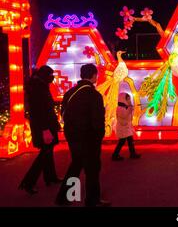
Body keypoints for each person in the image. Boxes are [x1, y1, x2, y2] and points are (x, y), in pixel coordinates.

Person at [55, 64, 110, 207]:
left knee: (76, 164)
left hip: (73, 136)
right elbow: (98, 120)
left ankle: (65, 197)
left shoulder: (70, 92)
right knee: (92, 169)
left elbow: (63, 114)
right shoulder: (94, 95)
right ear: (94, 76)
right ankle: (92, 200)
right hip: (89, 138)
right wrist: (100, 135)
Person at [19, 65, 61, 195]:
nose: (52, 77)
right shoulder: (38, 88)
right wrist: (45, 129)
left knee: (48, 152)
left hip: (45, 125)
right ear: (44, 75)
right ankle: (28, 182)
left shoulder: (39, 86)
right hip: (44, 127)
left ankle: (51, 177)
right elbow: (40, 111)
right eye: (50, 75)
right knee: (45, 153)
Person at [112, 92, 141, 161]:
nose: (129, 101)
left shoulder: (125, 107)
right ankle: (115, 155)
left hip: (126, 128)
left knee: (129, 140)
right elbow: (124, 116)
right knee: (122, 142)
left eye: (129, 99)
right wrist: (129, 109)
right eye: (127, 99)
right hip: (123, 128)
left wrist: (130, 108)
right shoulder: (120, 108)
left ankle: (132, 153)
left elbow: (129, 117)